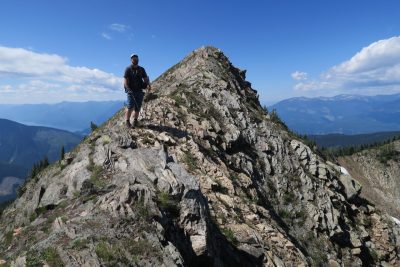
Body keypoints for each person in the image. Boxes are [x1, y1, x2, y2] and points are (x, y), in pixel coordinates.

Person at [124, 53, 151, 128]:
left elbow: (145, 79)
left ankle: (135, 121)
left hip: (139, 90)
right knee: (130, 106)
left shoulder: (141, 69)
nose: (135, 59)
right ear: (131, 60)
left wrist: (148, 85)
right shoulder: (128, 69)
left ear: (138, 59)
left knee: (138, 106)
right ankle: (127, 122)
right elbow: (125, 80)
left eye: (136, 58)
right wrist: (128, 89)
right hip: (131, 91)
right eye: (133, 58)